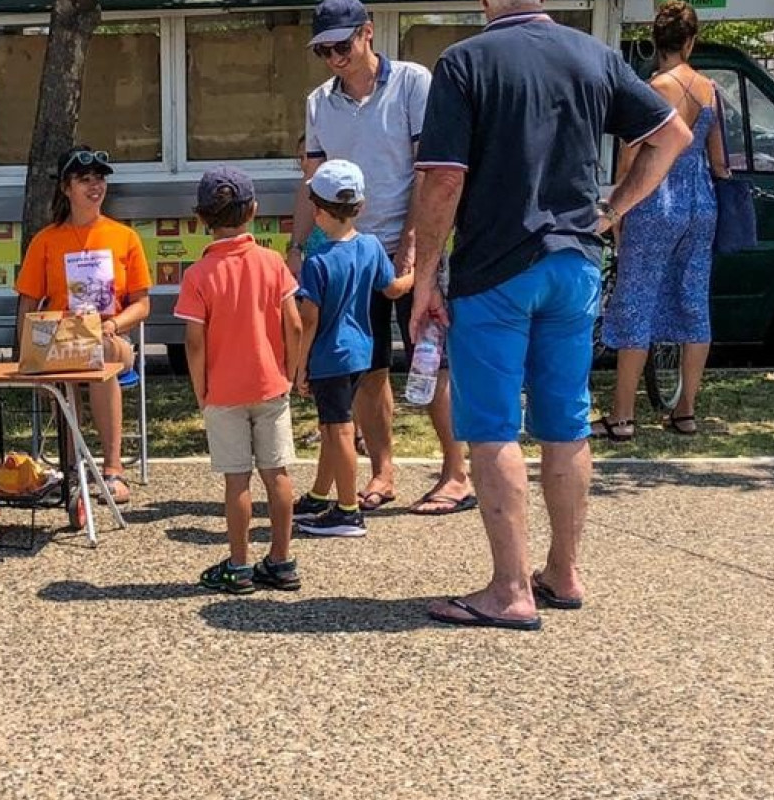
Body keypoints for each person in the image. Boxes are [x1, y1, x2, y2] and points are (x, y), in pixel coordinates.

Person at [409, 0, 691, 629]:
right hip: (575, 265)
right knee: (565, 423)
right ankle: (563, 571)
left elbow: (444, 181)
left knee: (493, 428)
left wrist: (426, 276)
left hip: (495, 271)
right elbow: (672, 134)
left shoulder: (464, 62)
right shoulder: (592, 54)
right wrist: (613, 209)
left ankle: (509, 590)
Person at [289, 0, 473, 518]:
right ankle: (382, 471)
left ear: (368, 34)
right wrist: (298, 247)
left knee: (430, 358)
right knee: (367, 368)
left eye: (340, 46)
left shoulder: (413, 82)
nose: (332, 58)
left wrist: (416, 244)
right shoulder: (319, 102)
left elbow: (428, 171)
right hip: (350, 253)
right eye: (323, 49)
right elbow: (310, 183)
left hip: (413, 249)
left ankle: (455, 471)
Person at [594, 1, 729, 441]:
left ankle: (623, 416)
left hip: (654, 203)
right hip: (700, 206)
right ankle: (685, 411)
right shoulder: (710, 90)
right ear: (691, 41)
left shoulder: (653, 88)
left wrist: (617, 209)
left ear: (656, 41)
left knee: (636, 301)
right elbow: (720, 161)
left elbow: (633, 157)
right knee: (694, 302)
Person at [175, 167, 305, 594]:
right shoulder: (272, 264)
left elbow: (195, 342)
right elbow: (294, 324)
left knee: (237, 480)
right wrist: (291, 370)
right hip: (271, 384)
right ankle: (282, 560)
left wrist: (201, 388)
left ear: (201, 217)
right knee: (278, 473)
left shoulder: (197, 276)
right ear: (254, 210)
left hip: (223, 391)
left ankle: (239, 564)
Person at [15, 146, 153, 504]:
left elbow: (142, 304)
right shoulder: (46, 240)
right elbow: (28, 302)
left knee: (102, 355)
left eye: (99, 179)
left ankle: (111, 469)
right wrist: (25, 353)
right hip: (61, 338)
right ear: (66, 188)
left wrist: (114, 324)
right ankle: (71, 466)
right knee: (58, 366)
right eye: (84, 180)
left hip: (110, 337)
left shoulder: (124, 236)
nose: (95, 186)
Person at [294, 160, 411, 538]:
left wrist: (299, 366)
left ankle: (346, 510)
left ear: (316, 208)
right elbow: (392, 289)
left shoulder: (317, 260)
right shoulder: (372, 247)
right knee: (334, 425)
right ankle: (319, 493)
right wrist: (417, 275)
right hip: (362, 352)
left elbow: (308, 319)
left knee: (338, 429)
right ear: (360, 207)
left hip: (329, 356)